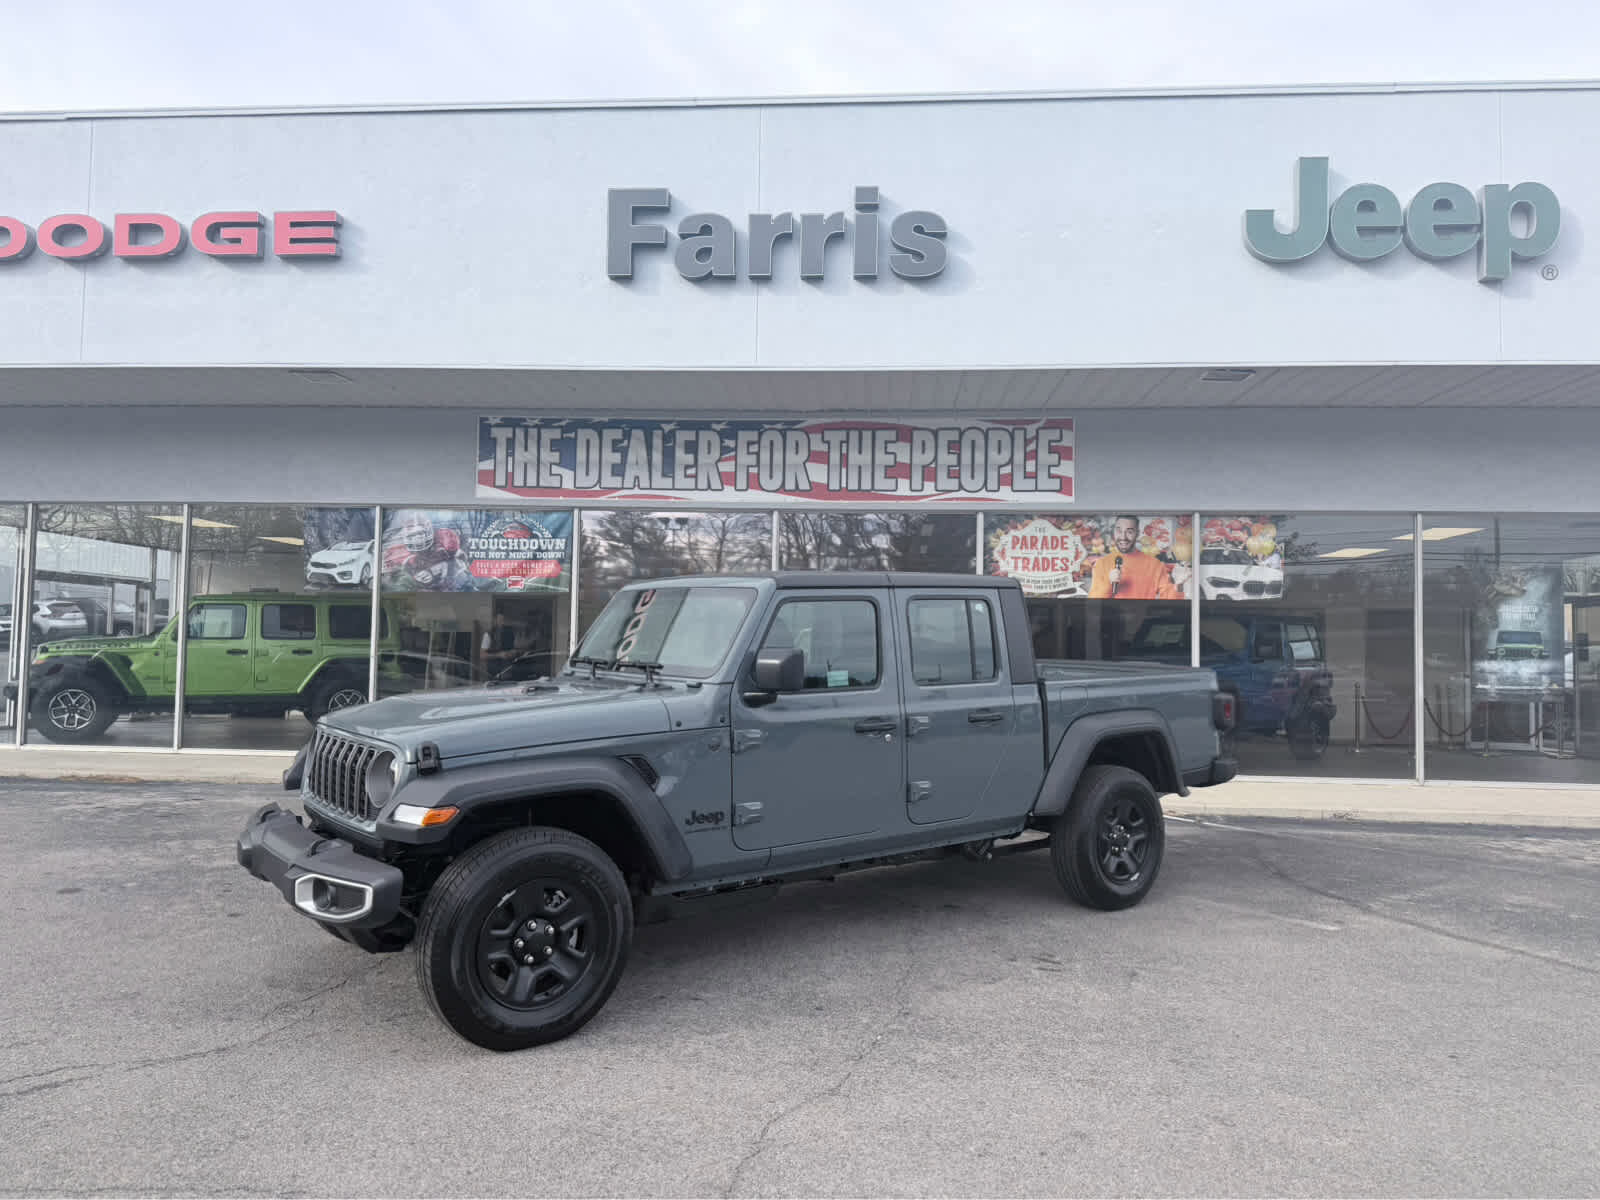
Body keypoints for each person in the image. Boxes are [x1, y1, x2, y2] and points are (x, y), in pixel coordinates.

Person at [1087, 515, 1184, 600]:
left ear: (1137, 533)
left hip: (1144, 620)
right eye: (1119, 531)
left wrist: (1178, 587)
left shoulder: (1155, 565)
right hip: (1110, 620)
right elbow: (1093, 604)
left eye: (1129, 532)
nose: (1123, 537)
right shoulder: (1102, 563)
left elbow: (1168, 600)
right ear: (1114, 532)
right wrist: (1109, 582)